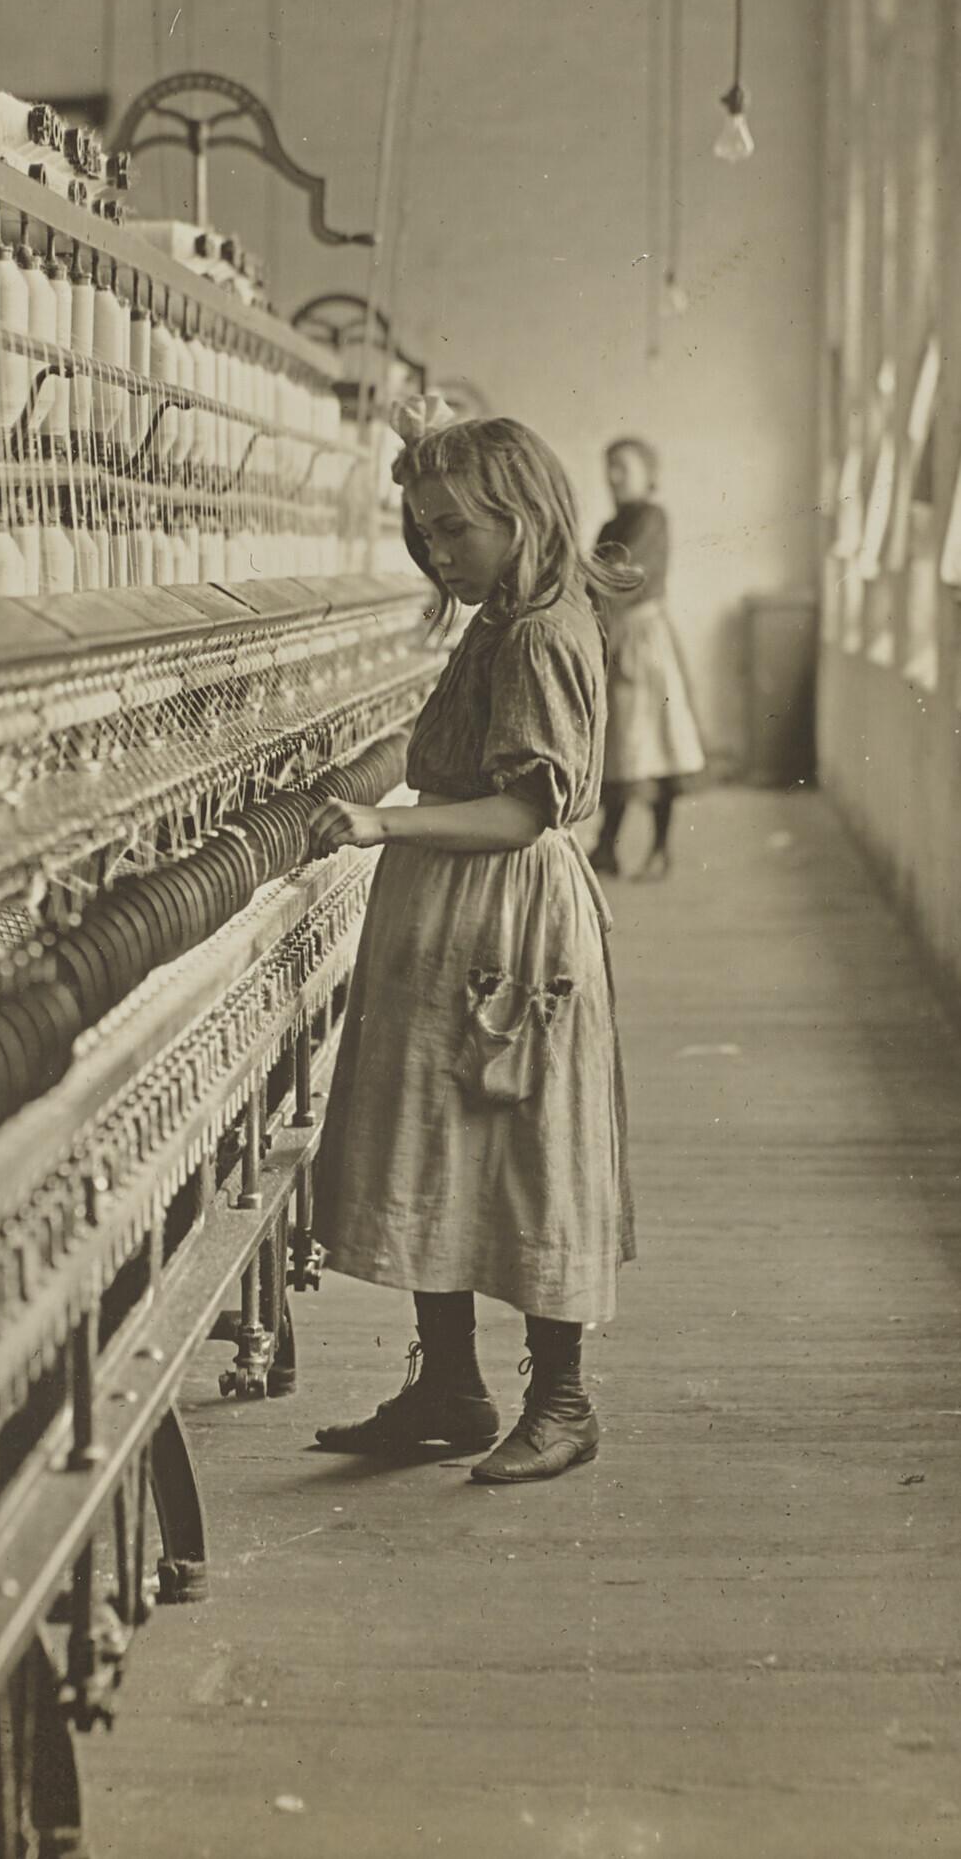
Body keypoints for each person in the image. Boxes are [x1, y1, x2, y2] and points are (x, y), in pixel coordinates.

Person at [303, 416, 636, 1484]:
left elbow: (520, 814)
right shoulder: (506, 618)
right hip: (455, 913)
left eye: (454, 529)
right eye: (423, 531)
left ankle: (563, 1399)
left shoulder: (539, 634)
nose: (436, 552)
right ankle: (447, 1386)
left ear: (521, 515)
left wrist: (376, 823)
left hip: (505, 915)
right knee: (439, 1137)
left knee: (527, 1146)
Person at [592, 438, 708, 879]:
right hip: (617, 637)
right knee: (620, 744)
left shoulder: (651, 519)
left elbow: (624, 574)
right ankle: (607, 846)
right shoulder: (609, 525)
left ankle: (660, 849)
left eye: (623, 467)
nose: (613, 476)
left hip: (644, 641)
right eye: (609, 467)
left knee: (657, 744)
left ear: (648, 474)